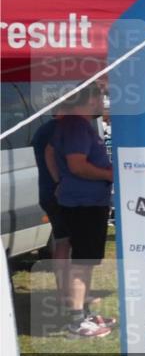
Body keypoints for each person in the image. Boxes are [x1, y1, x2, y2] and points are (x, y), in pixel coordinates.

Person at [47, 86, 116, 338]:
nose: (103, 101)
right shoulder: (76, 125)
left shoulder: (72, 125)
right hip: (84, 203)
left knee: (84, 260)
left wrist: (58, 182)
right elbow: (77, 165)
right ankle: (77, 321)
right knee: (82, 262)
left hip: (83, 201)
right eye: (100, 96)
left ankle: (84, 315)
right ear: (89, 99)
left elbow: (50, 152)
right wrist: (110, 174)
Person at [31, 113, 71, 308]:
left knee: (62, 242)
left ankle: (63, 293)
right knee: (69, 245)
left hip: (47, 193)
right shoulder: (63, 130)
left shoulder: (42, 129)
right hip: (61, 193)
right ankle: (70, 295)